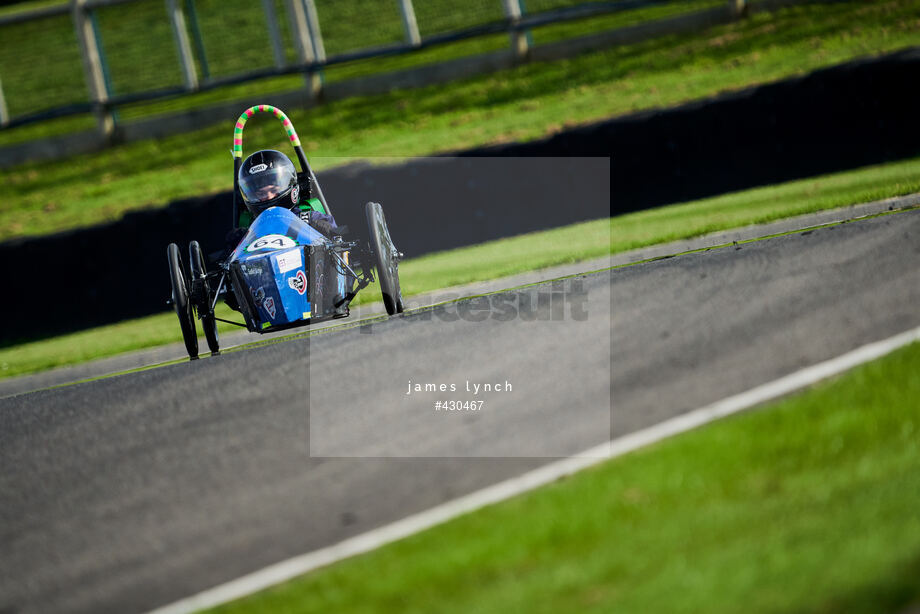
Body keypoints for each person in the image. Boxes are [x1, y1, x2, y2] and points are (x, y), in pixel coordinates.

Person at [234, 149, 346, 239]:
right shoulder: (248, 231)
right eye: (261, 194)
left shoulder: (311, 218)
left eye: (274, 190)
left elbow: (338, 240)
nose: (269, 196)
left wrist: (325, 230)